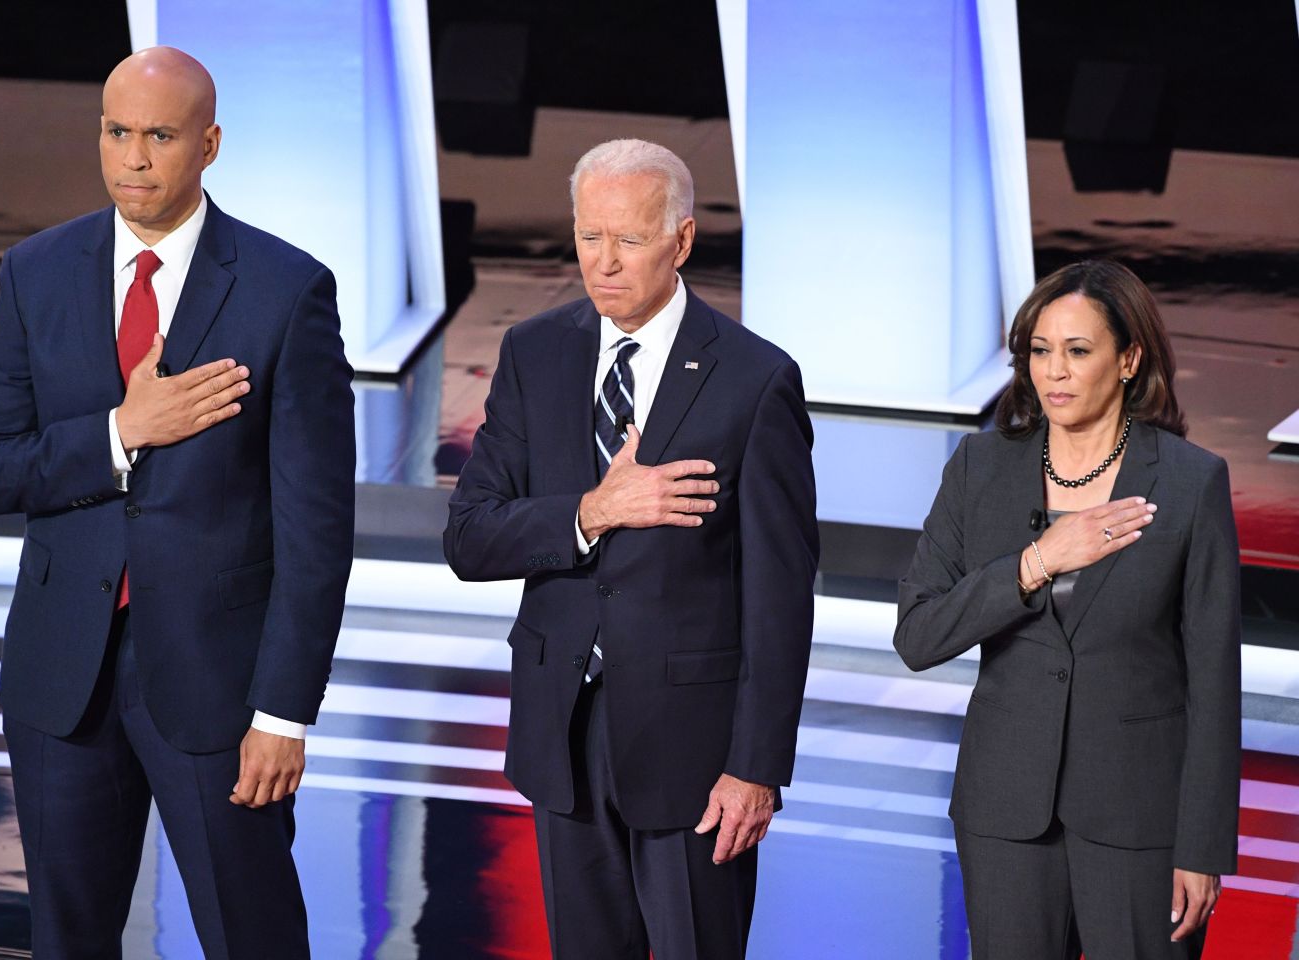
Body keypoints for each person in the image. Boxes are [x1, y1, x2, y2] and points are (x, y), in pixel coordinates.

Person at [0, 47, 354, 958]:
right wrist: (119, 432)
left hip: (221, 690)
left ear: (209, 145)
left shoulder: (287, 290)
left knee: (252, 938)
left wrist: (283, 713)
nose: (133, 158)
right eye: (117, 132)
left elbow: (317, 529)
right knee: (69, 940)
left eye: (160, 136)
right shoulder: (36, 272)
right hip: (62, 678)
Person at [444, 139, 820, 958]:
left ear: (681, 241)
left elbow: (781, 597)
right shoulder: (534, 352)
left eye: (629, 239)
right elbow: (469, 537)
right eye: (589, 236)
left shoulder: (754, 380)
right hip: (561, 734)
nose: (603, 262)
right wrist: (592, 511)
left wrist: (757, 767)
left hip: (697, 758)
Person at [894, 260, 1239, 959]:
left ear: (1129, 360)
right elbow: (919, 634)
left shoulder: (1190, 481)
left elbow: (1214, 683)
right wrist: (1035, 563)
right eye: (1040, 350)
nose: (1055, 371)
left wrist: (1203, 847)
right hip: (1005, 812)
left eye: (1078, 351)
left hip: (1140, 818)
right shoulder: (980, 467)